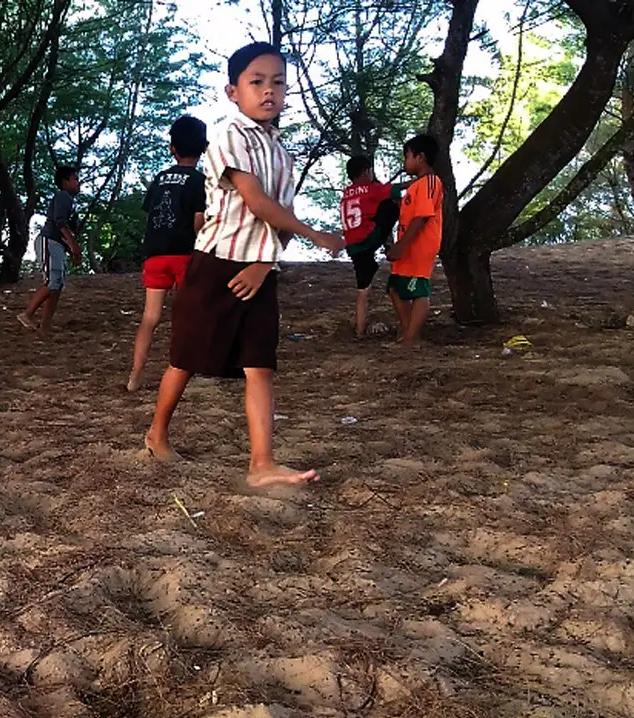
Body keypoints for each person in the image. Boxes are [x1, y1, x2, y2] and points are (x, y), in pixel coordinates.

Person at [142, 42, 344, 490]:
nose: (268, 91)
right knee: (185, 358)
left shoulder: (284, 156)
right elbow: (256, 202)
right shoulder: (230, 136)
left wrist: (265, 263)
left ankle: (261, 463)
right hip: (215, 265)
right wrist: (318, 236)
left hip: (260, 273)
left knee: (260, 365)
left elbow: (280, 218)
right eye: (256, 82)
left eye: (277, 82)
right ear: (234, 91)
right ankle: (157, 433)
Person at [127, 115, 210, 392]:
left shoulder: (160, 178)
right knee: (189, 314)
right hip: (184, 254)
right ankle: (187, 367)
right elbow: (198, 222)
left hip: (154, 253)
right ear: (204, 147)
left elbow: (151, 213)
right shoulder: (200, 180)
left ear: (172, 148)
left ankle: (135, 374)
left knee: (150, 317)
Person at [386, 135, 444, 348]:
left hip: (421, 245)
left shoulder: (430, 182)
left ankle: (410, 338)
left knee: (418, 288)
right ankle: (409, 334)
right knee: (394, 287)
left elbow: (422, 216)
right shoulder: (415, 186)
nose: (405, 161)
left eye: (407, 156)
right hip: (407, 244)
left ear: (420, 157)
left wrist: (402, 245)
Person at [340, 156, 403, 338]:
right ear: (367, 171)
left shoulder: (346, 193)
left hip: (354, 247)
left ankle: (359, 331)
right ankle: (393, 242)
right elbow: (397, 188)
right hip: (368, 239)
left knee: (363, 291)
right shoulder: (370, 189)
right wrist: (420, 179)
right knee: (389, 205)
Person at [19, 166, 82, 332]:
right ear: (65, 182)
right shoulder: (63, 196)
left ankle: (45, 325)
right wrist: (74, 246)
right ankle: (27, 314)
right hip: (49, 242)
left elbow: (65, 227)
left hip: (57, 245)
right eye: (75, 179)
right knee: (52, 282)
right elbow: (60, 222)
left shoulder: (70, 201)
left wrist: (71, 248)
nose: (78, 182)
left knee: (58, 284)